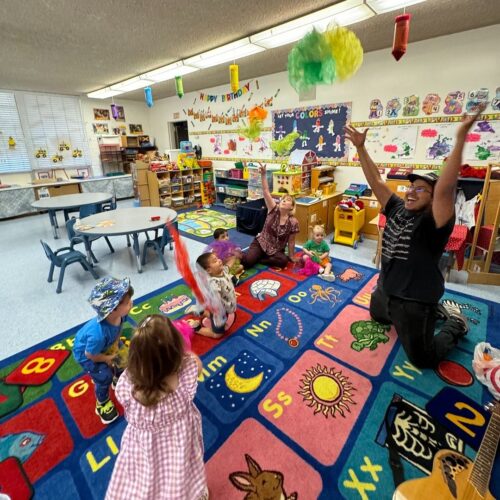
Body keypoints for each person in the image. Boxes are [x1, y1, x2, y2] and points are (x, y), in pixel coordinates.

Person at [343, 106, 485, 369]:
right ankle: (434, 312)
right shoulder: (397, 207)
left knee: (423, 358)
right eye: (411, 187)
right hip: (387, 289)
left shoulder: (435, 221)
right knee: (378, 317)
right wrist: (361, 148)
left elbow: (445, 188)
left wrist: (461, 138)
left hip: (414, 301)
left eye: (421, 189)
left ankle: (455, 323)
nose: (411, 192)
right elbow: (376, 180)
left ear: (434, 199)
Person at [105, 315, 208, 500]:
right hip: (180, 441)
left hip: (144, 445)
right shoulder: (186, 371)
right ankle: (193, 493)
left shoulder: (127, 383)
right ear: (176, 352)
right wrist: (185, 352)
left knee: (146, 476)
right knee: (181, 473)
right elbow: (197, 364)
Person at [73, 277, 134, 424]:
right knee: (104, 376)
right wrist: (107, 359)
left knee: (124, 357)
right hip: (88, 354)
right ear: (112, 310)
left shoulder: (121, 315)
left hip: (107, 344)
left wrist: (115, 347)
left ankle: (118, 377)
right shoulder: (98, 335)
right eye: (127, 302)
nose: (131, 303)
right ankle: (102, 403)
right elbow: (91, 355)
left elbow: (118, 330)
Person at [241, 163, 299, 269]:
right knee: (248, 262)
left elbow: (291, 241)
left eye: (288, 200)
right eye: (283, 199)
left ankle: (261, 259)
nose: (284, 200)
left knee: (283, 261)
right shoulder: (273, 208)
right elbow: (266, 191)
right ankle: (256, 256)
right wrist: (263, 175)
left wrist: (291, 256)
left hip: (276, 250)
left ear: (292, 207)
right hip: (261, 243)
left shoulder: (293, 222)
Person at [194, 251, 237, 338]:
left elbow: (229, 265)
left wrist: (234, 256)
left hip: (226, 307)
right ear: (209, 270)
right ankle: (197, 328)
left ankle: (201, 312)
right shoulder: (213, 282)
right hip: (218, 310)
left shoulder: (223, 271)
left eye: (217, 258)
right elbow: (215, 298)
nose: (219, 260)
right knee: (218, 334)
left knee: (219, 315)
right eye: (215, 261)